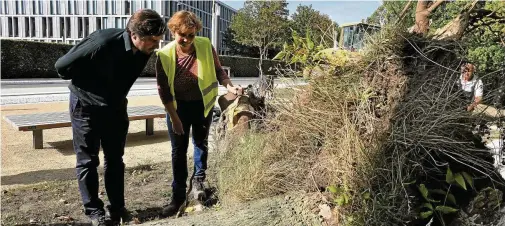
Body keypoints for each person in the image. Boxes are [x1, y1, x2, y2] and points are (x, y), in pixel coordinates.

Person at [54, 9, 166, 226]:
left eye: (158, 40)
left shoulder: (144, 50)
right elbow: (61, 66)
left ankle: (117, 208)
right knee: (87, 160)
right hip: (85, 106)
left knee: (115, 160)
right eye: (152, 40)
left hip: (115, 108)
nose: (156, 45)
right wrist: (88, 81)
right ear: (135, 35)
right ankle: (94, 212)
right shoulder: (102, 41)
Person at [155, 10, 242, 216]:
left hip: (202, 106)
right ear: (173, 32)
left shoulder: (205, 45)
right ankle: (177, 197)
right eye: (181, 35)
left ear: (196, 33)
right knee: (178, 151)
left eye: (190, 35)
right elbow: (163, 91)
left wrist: (229, 87)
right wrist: (174, 119)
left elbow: (219, 71)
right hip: (177, 109)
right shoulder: (164, 55)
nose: (186, 40)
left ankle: (198, 185)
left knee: (200, 144)